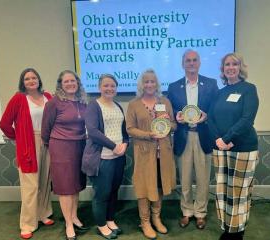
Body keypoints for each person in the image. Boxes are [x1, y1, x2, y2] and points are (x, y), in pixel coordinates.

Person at [208, 53, 259, 240]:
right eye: (226, 64)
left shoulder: (248, 89)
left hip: (243, 148)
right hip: (220, 148)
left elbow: (247, 118)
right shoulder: (219, 93)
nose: (230, 67)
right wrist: (218, 140)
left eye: (234, 64)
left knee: (239, 192)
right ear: (222, 69)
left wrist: (228, 138)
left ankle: (238, 233)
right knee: (223, 191)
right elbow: (210, 118)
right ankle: (228, 228)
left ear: (240, 67)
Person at [0, 68, 54, 239]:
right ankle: (27, 223)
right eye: (27, 78)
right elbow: (4, 123)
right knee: (31, 186)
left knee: (45, 181)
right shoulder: (19, 99)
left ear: (39, 80)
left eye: (34, 77)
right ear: (23, 82)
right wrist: (19, 137)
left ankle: (43, 213)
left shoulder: (48, 97)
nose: (31, 81)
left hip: (49, 142)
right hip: (29, 144)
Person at [167, 49, 217, 229]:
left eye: (194, 60)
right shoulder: (173, 87)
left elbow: (216, 109)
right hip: (183, 136)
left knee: (203, 178)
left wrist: (207, 115)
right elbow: (168, 110)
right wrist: (176, 114)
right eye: (188, 60)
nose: (191, 63)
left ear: (200, 63)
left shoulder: (211, 84)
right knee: (185, 178)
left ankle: (201, 212)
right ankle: (187, 211)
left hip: (203, 136)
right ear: (183, 64)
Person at [126, 69, 176, 239]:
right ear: (141, 84)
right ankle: (145, 221)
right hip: (144, 153)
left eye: (152, 81)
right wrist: (148, 134)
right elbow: (130, 129)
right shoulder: (134, 104)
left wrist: (168, 122)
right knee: (144, 186)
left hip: (163, 154)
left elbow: (174, 126)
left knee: (159, 185)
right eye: (146, 82)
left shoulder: (165, 102)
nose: (149, 85)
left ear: (157, 84)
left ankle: (156, 218)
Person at [41, 70, 89, 240]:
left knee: (75, 184)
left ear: (78, 83)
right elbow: (45, 131)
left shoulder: (83, 102)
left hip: (80, 146)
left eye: (73, 81)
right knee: (65, 187)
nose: (70, 84)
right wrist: (54, 145)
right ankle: (68, 223)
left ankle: (74, 216)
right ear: (60, 84)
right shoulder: (54, 103)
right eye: (66, 81)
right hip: (61, 148)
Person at [81, 74, 129, 239]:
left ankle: (109, 220)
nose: (109, 88)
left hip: (118, 157)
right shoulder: (94, 106)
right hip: (102, 158)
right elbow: (93, 132)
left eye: (112, 86)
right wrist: (114, 146)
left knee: (113, 191)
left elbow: (125, 132)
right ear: (99, 87)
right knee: (102, 193)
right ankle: (101, 225)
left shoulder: (118, 106)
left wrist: (125, 144)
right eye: (106, 85)